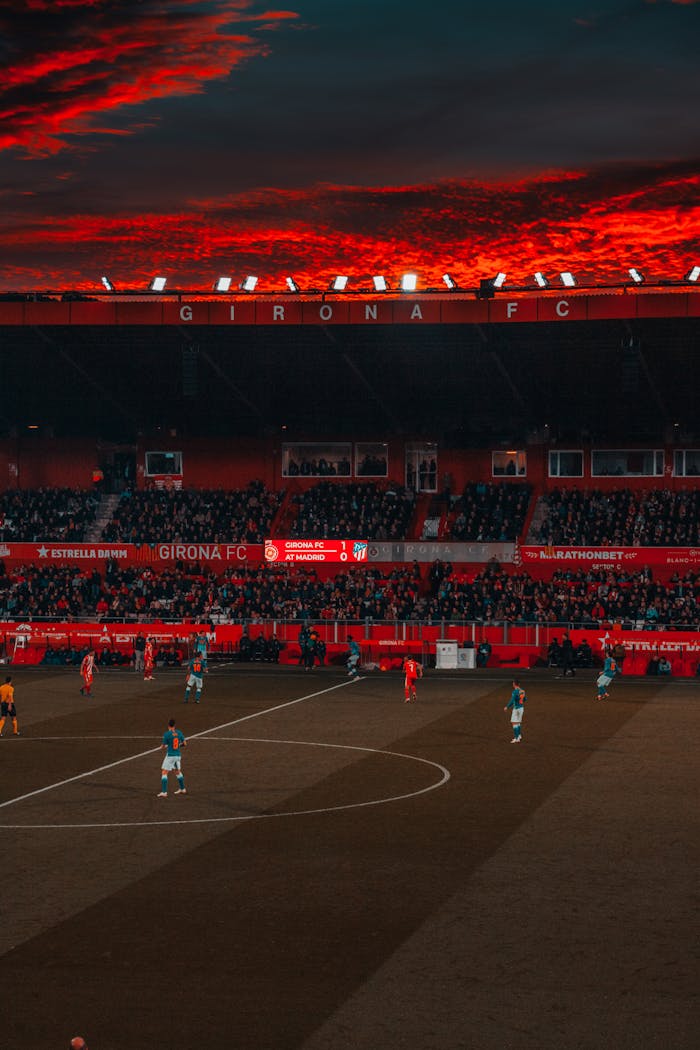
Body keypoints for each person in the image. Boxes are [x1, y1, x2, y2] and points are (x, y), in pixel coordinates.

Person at [158, 717, 187, 797]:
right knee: (177, 772)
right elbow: (185, 743)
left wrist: (162, 747)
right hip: (178, 755)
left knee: (164, 772)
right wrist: (178, 746)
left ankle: (164, 792)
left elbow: (163, 746)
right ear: (174, 725)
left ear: (168, 726)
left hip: (170, 756)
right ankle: (182, 789)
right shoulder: (179, 732)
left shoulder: (167, 734)